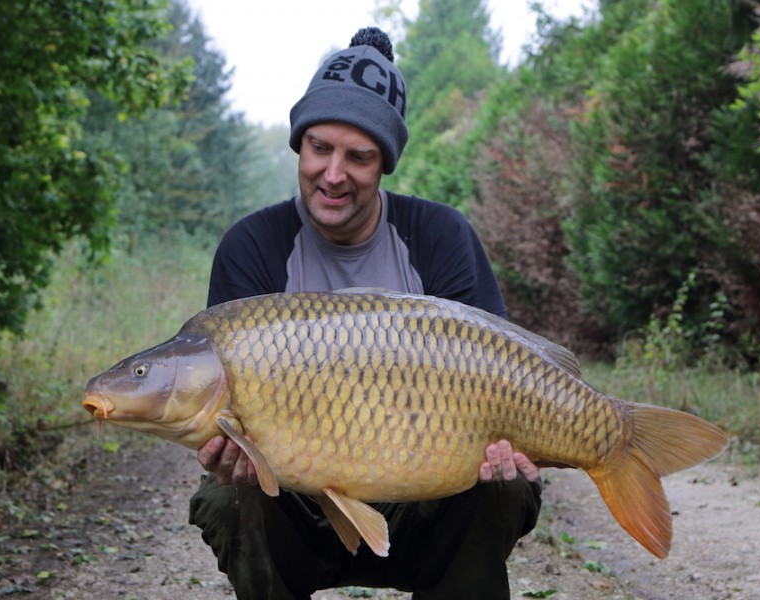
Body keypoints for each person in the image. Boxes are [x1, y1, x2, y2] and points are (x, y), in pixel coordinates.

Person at [188, 26, 542, 600]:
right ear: (299, 146)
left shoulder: (439, 236)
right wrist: (231, 455)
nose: (333, 174)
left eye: (359, 156)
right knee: (232, 495)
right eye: (319, 148)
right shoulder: (251, 246)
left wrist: (515, 448)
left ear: (385, 164)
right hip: (296, 508)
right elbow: (224, 417)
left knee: (499, 487)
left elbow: (501, 372)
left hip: (427, 505)